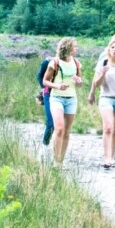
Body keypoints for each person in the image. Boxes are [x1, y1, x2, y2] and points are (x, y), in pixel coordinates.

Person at [43, 37, 84, 168]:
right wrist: (57, 86)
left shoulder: (76, 62)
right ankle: (55, 161)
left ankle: (61, 160)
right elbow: (45, 81)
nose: (76, 48)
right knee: (59, 128)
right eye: (75, 46)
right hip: (56, 98)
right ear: (67, 47)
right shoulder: (54, 63)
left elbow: (80, 83)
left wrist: (79, 81)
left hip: (72, 99)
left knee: (66, 131)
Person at [37, 56, 54, 146]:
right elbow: (39, 75)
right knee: (51, 122)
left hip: (63, 95)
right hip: (48, 93)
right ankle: (45, 142)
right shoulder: (47, 62)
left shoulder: (70, 63)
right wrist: (43, 88)